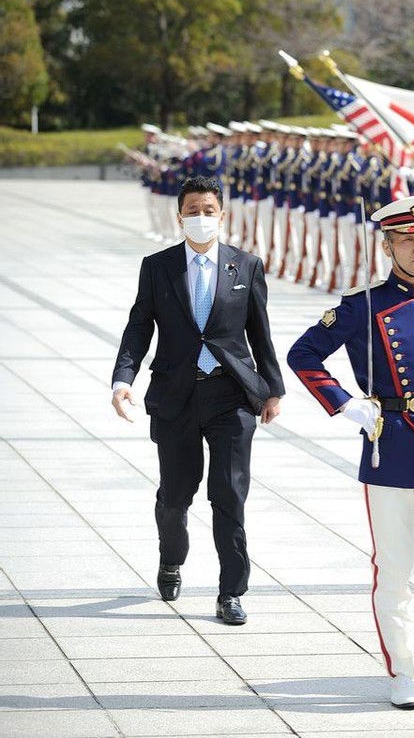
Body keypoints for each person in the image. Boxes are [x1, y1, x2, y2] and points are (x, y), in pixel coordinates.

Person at [288, 195, 414, 709]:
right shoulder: (363, 305)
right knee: (394, 569)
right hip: (389, 445)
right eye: (408, 240)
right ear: (388, 245)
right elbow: (303, 354)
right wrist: (344, 404)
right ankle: (401, 669)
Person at [111, 176, 285, 624]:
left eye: (210, 210)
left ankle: (231, 592)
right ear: (180, 216)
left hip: (231, 396)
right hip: (176, 397)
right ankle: (171, 559)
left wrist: (272, 389)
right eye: (194, 210)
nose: (202, 218)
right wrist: (123, 378)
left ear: (222, 215)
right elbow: (139, 327)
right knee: (176, 495)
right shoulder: (157, 266)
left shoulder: (246, 265)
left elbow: (260, 332)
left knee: (229, 494)